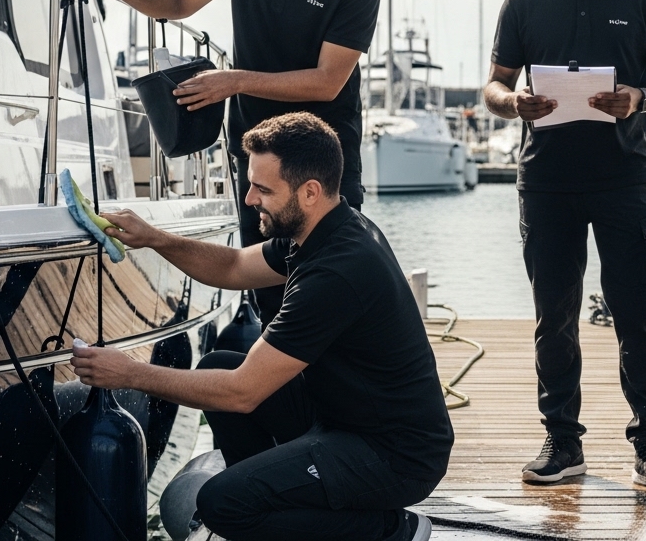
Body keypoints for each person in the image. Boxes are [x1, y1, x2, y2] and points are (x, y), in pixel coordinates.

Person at [71, 113, 449, 541]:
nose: (250, 198)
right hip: (342, 418)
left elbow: (242, 392)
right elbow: (233, 266)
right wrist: (154, 238)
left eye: (263, 189)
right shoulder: (321, 229)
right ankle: (267, 503)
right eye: (251, 184)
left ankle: (391, 530)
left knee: (221, 504)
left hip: (394, 455)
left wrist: (129, 373)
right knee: (217, 362)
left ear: (309, 192)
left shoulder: (337, 271)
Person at [86, 0, 381, 322]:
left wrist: (234, 81)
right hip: (258, 152)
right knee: (263, 289)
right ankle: (271, 370)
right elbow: (179, 0)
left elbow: (328, 82)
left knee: (328, 289)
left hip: (325, 156)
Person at [482, 0, 646, 491]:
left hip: (625, 180)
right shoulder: (522, 2)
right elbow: (492, 86)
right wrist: (513, 103)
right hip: (546, 183)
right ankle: (563, 443)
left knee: (639, 316)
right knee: (554, 318)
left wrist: (640, 99)